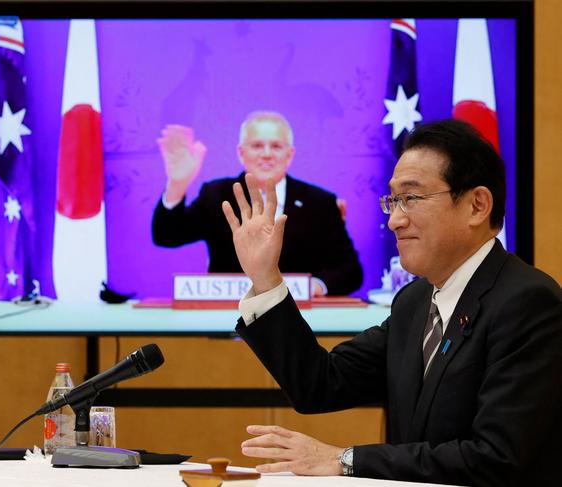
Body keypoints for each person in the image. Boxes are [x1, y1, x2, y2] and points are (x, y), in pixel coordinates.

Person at [222, 119, 562, 486]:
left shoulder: (529, 303)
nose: (395, 220)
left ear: (477, 206)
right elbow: (319, 384)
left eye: (412, 198)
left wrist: (345, 460)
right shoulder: (414, 302)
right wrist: (266, 278)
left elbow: (495, 457)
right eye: (393, 200)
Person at [151, 111, 363, 296]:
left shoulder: (319, 202)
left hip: (296, 321)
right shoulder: (216, 195)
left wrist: (316, 286)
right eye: (257, 146)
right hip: (228, 320)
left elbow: (350, 271)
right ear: (241, 153)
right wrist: (177, 184)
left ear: (290, 155)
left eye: (277, 146)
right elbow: (167, 235)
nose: (267, 154)